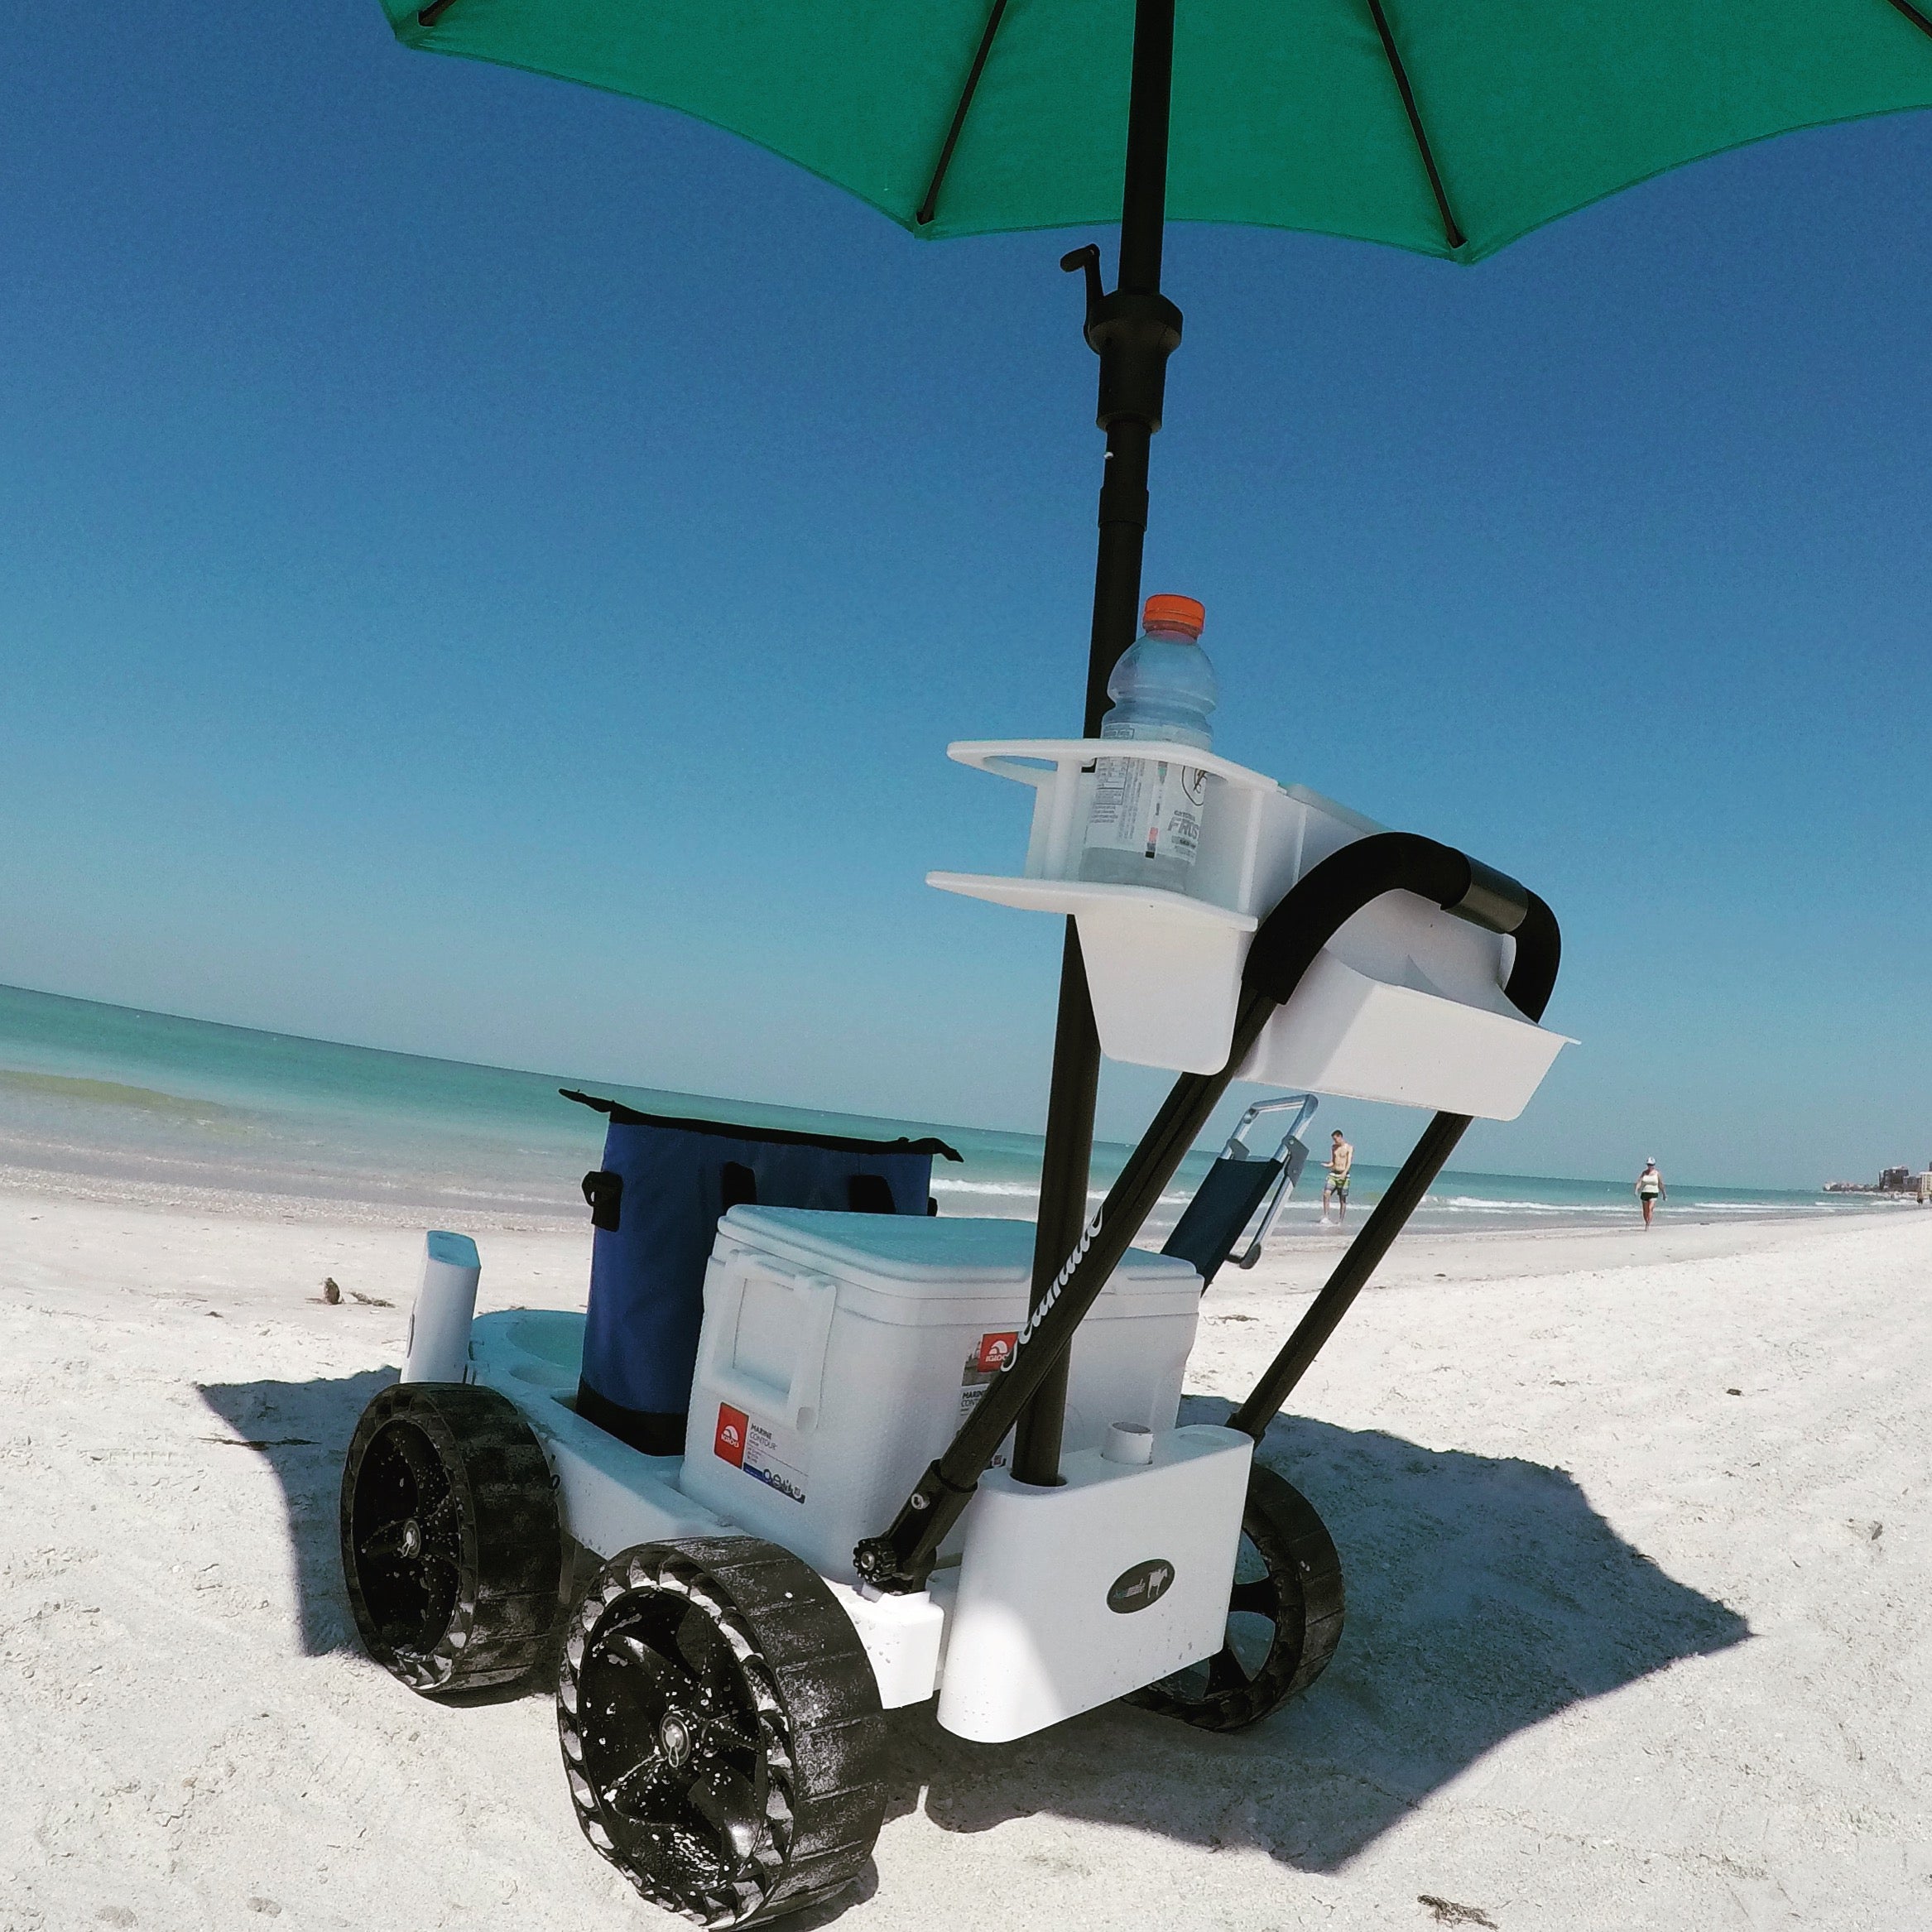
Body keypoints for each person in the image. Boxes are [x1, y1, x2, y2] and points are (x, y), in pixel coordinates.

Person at [1322, 1130, 1354, 1226]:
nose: (1334, 1142)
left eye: (1336, 1139)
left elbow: (1349, 1163)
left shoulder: (1349, 1148)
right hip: (1333, 1174)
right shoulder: (1334, 1148)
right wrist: (1327, 1165)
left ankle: (1340, 1221)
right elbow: (1333, 1161)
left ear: (1340, 1137)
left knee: (1342, 1199)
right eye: (1333, 1140)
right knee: (1326, 1194)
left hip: (1344, 1175)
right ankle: (1326, 1216)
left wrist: (1344, 1173)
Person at [1636, 1158, 1665, 1228]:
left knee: (1650, 1208)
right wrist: (1636, 1190)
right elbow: (1639, 1182)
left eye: (1651, 1165)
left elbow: (1661, 1184)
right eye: (1648, 1165)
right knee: (1645, 1210)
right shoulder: (1644, 1173)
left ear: (1653, 1165)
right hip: (1645, 1193)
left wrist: (1664, 1194)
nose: (1650, 1166)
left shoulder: (1657, 1173)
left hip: (1654, 1193)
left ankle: (1648, 1224)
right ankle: (1646, 1221)